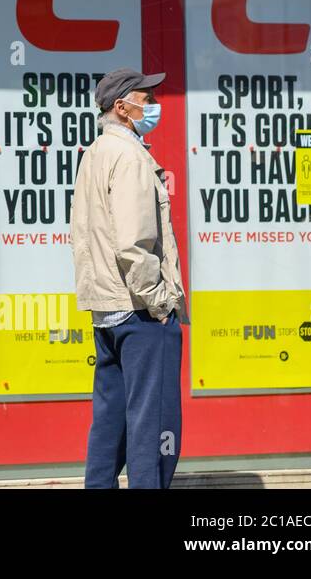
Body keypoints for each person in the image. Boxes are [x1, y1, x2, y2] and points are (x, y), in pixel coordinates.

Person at [71, 67, 188, 489]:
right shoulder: (131, 156)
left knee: (110, 421)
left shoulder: (96, 153)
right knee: (153, 425)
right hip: (139, 310)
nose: (153, 106)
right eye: (145, 98)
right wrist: (159, 301)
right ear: (122, 108)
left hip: (107, 308)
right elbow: (133, 243)